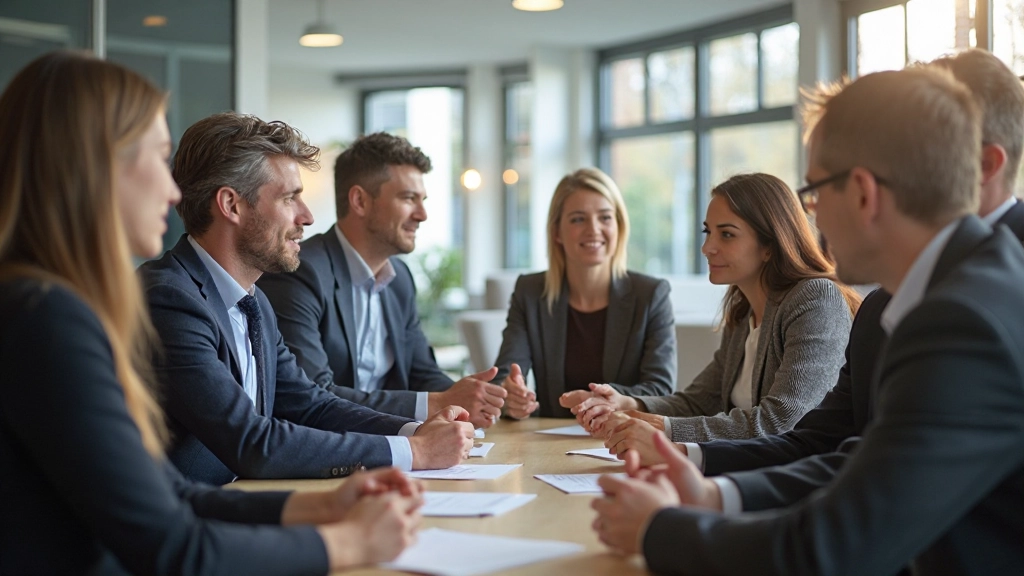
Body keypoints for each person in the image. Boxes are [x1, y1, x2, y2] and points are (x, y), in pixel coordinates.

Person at [0, 50, 423, 575]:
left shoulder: (53, 306)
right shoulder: (47, 318)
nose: (172, 189)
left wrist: (322, 505)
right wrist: (349, 545)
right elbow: (174, 546)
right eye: (156, 158)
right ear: (94, 166)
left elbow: (171, 494)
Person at [593, 65, 1024, 576]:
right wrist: (714, 494)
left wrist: (659, 529)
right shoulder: (929, 298)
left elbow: (837, 546)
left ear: (863, 193)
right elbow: (851, 456)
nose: (811, 216)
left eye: (815, 192)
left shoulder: (963, 323)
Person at [139, 112, 473, 486]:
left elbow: (311, 406)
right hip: (189, 527)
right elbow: (252, 442)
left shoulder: (254, 302)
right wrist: (417, 453)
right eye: (289, 199)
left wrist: (417, 430)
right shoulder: (170, 299)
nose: (308, 216)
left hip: (243, 506)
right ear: (231, 205)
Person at [565, 173, 860, 456]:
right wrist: (628, 403)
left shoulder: (816, 299)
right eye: (708, 232)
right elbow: (700, 400)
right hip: (746, 472)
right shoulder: (743, 311)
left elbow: (782, 422)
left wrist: (663, 428)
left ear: (770, 245)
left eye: (727, 235)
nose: (707, 248)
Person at [258, 132, 506, 428]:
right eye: (408, 198)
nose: (423, 214)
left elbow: (422, 374)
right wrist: (435, 403)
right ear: (360, 201)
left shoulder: (400, 279)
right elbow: (313, 395)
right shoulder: (301, 272)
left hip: (395, 445)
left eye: (422, 200)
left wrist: (485, 395)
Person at [490, 167, 677, 419]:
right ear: (557, 232)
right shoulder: (530, 292)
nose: (594, 229)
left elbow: (660, 390)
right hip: (548, 439)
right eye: (578, 219)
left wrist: (602, 400)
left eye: (605, 217)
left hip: (623, 438)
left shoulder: (651, 295)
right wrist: (510, 396)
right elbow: (505, 377)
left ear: (619, 226)